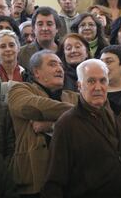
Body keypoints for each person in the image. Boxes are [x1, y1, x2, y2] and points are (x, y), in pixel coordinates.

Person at [42, 59, 121, 197]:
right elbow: (54, 181)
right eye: (91, 81)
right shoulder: (67, 124)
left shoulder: (120, 115)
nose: (98, 87)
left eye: (102, 81)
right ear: (79, 85)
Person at [8, 50, 78, 197]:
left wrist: (51, 126)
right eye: (52, 64)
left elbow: (92, 122)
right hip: (35, 181)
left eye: (60, 65)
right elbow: (33, 107)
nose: (60, 69)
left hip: (73, 180)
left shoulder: (74, 97)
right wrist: (79, 113)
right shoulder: (20, 89)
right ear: (37, 72)